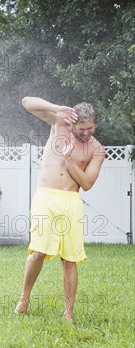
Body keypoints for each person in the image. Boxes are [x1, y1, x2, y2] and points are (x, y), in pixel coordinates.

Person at [14, 96, 105, 322]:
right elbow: (27, 102)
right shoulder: (59, 125)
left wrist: (68, 157)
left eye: (90, 128)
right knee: (38, 252)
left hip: (71, 200)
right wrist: (58, 109)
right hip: (46, 195)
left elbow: (87, 183)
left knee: (69, 259)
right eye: (82, 128)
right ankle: (24, 299)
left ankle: (68, 313)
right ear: (72, 123)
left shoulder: (97, 149)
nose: (86, 133)